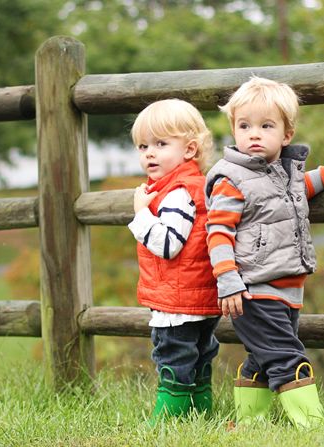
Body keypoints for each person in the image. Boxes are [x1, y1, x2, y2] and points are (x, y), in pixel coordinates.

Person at [204, 77, 324, 428]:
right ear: (233, 129)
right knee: (287, 357)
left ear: (286, 134)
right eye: (244, 125)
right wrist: (227, 278)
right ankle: (312, 426)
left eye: (266, 126)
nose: (254, 134)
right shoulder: (231, 179)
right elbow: (218, 231)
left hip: (286, 290)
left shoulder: (285, 176)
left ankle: (248, 423)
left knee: (262, 358)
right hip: (252, 289)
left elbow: (309, 184)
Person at [127, 99, 221, 425]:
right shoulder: (196, 185)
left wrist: (141, 213)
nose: (149, 153)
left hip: (179, 300)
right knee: (199, 355)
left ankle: (168, 419)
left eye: (160, 144)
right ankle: (199, 412)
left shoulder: (178, 193)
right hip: (200, 297)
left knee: (173, 355)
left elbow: (168, 244)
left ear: (190, 150)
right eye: (143, 146)